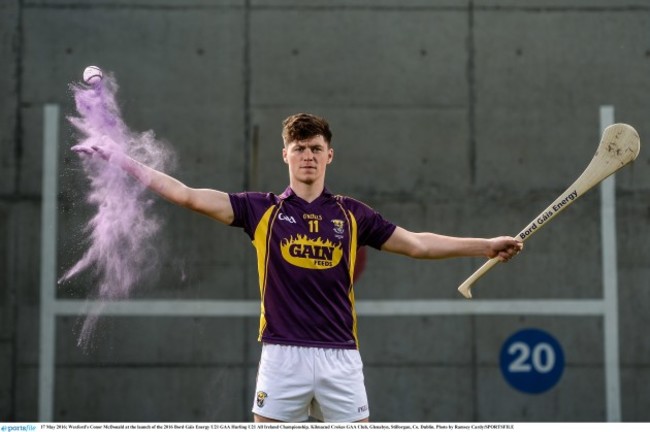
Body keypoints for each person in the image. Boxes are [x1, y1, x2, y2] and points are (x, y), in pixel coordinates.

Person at [73, 113, 523, 423]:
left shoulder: (353, 214)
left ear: (329, 156)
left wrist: (485, 245)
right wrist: (120, 157)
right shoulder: (260, 210)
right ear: (285, 155)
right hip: (282, 353)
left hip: (340, 356)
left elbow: (419, 244)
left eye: (316, 148)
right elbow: (187, 194)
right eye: (299, 148)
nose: (308, 155)